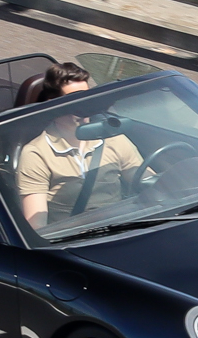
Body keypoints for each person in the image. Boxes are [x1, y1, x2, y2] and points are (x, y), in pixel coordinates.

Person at [11, 64, 145, 230]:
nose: (85, 107)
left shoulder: (112, 137)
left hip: (121, 228)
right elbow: (37, 225)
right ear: (53, 105)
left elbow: (145, 180)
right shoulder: (36, 154)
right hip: (75, 239)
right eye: (74, 100)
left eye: (87, 98)